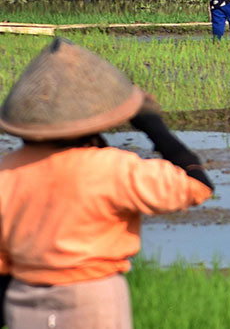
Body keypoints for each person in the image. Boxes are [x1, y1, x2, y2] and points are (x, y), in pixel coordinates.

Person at [0, 38, 213, 328]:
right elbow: (196, 184)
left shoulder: (7, 170)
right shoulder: (112, 169)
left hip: (22, 300)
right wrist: (152, 124)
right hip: (91, 300)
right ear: (92, 120)